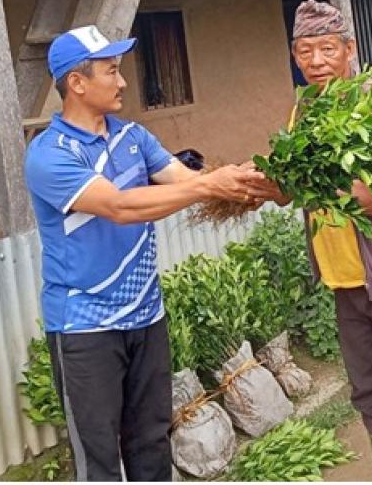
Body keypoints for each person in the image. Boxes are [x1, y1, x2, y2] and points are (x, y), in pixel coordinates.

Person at [23, 25, 266, 480]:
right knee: (99, 457)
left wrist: (257, 184)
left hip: (146, 318)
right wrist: (210, 185)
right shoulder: (49, 155)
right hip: (84, 327)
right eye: (111, 71)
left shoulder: (133, 136)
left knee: (151, 441)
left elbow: (185, 182)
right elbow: (118, 206)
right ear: (77, 83)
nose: (123, 82)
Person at [250, 0, 372, 481]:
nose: (315, 62)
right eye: (304, 51)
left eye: (326, 49)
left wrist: (299, 182)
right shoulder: (307, 110)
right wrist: (258, 184)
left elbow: (371, 199)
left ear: (349, 50)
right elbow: (293, 187)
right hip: (345, 280)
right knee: (370, 393)